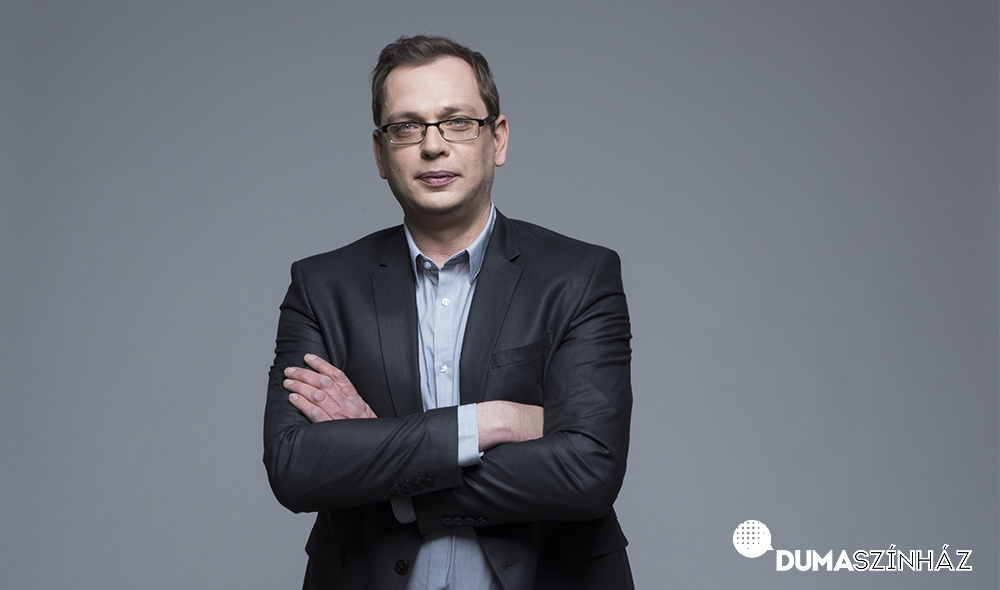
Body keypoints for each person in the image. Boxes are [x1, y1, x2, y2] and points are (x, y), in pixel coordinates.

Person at [263, 35, 634, 590]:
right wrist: (491, 421)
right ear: (380, 153)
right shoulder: (322, 286)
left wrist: (379, 453)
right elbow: (296, 467)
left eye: (457, 122)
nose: (432, 146)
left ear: (497, 138)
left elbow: (587, 472)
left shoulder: (580, 277)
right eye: (406, 127)